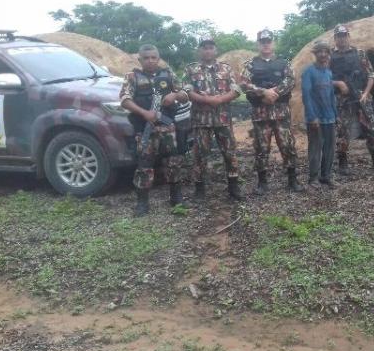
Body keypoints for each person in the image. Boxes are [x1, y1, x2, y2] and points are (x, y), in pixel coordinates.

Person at [120, 44, 189, 216]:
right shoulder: (132, 77)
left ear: (158, 58)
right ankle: (142, 202)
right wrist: (145, 113)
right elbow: (124, 99)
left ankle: (176, 198)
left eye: (154, 57)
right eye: (146, 58)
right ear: (140, 59)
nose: (150, 61)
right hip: (145, 129)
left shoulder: (168, 74)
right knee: (144, 166)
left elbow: (185, 93)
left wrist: (174, 95)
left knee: (174, 163)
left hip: (167, 128)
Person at [240, 29, 304, 195]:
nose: (266, 44)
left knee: (287, 146)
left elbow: (291, 80)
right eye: (263, 42)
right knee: (261, 148)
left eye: (268, 41)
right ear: (258, 44)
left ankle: (292, 179)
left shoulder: (284, 63)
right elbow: (244, 84)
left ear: (273, 43)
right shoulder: (250, 65)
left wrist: (275, 92)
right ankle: (262, 182)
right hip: (260, 113)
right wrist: (263, 92)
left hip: (281, 112)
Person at [183, 36, 244, 200]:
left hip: (222, 118)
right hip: (201, 120)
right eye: (204, 47)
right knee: (200, 154)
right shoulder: (191, 69)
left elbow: (236, 89)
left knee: (229, 152)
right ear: (200, 50)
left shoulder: (226, 69)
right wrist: (207, 100)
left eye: (210, 47)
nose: (208, 50)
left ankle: (234, 187)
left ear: (215, 50)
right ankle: (199, 190)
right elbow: (186, 91)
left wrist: (221, 99)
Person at [330, 24, 374, 175]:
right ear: (335, 38)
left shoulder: (360, 54)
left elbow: (371, 75)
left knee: (371, 129)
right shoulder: (329, 56)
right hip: (342, 99)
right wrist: (338, 84)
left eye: (344, 36)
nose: (342, 39)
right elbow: (322, 79)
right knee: (342, 131)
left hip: (361, 96)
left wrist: (365, 93)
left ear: (348, 36)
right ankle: (342, 163)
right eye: (339, 36)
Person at [301, 41, 337, 188]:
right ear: (315, 54)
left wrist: (335, 114)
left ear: (329, 54)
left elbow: (331, 95)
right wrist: (312, 116)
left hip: (330, 117)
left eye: (326, 51)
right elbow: (306, 95)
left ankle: (325, 176)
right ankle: (313, 178)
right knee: (315, 148)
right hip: (316, 118)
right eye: (320, 51)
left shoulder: (328, 72)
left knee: (329, 148)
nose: (323, 54)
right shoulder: (308, 72)